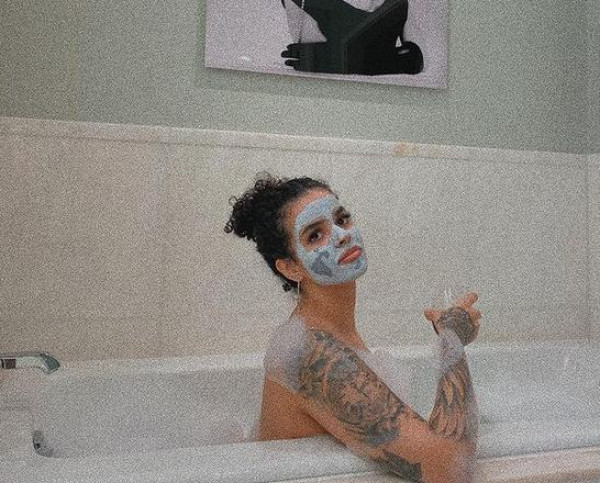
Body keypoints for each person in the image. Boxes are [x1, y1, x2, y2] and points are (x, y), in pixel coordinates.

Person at [224, 173, 481, 482]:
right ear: (290, 268)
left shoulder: (328, 330)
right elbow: (450, 467)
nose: (341, 235)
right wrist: (452, 337)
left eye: (341, 219)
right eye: (315, 235)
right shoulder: (310, 351)